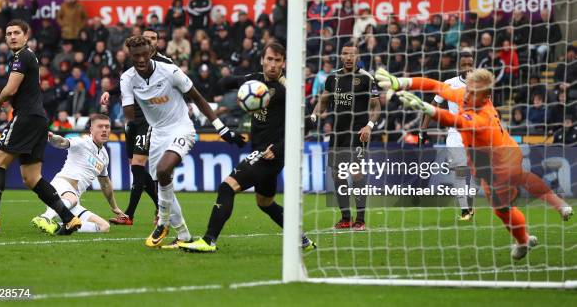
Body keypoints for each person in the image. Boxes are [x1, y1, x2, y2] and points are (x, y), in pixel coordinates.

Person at [375, 67, 574, 260]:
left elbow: (457, 122)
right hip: (503, 154)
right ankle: (552, 213)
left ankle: (524, 240)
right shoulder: (467, 95)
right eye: (467, 88)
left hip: (499, 166)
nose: (467, 94)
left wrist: (427, 109)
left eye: (473, 92)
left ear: (485, 96)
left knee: (501, 205)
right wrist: (401, 82)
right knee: (512, 192)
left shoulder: (483, 118)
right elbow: (436, 85)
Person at [179, 42, 316, 252]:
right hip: (263, 151)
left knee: (227, 187)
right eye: (269, 59)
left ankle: (209, 240)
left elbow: (307, 124)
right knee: (265, 203)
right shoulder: (256, 81)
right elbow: (226, 82)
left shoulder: (287, 89)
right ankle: (301, 240)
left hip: (271, 154)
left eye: (277, 61)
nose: (273, 65)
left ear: (284, 63)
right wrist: (231, 82)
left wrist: (279, 148)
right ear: (262, 60)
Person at [118, 35, 245, 249]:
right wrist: (129, 133)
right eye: (135, 56)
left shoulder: (170, 71)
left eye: (143, 54)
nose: (140, 59)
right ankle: (184, 235)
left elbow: (198, 98)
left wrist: (221, 128)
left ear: (150, 53)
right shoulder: (127, 79)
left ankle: (163, 222)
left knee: (164, 170)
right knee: (162, 183)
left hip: (181, 127)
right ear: (129, 56)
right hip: (156, 132)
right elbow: (130, 118)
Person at [0, 20, 82, 237]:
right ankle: (69, 218)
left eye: (16, 33)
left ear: (26, 36)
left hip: (27, 117)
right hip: (38, 119)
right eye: (9, 33)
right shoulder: (27, 56)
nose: (12, 36)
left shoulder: (22, 56)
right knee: (31, 178)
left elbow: (11, 88)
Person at [101, 29, 172, 226]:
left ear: (157, 43)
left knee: (138, 165)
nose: (149, 41)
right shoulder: (133, 61)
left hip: (151, 120)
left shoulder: (165, 63)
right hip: (132, 120)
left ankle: (129, 215)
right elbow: (125, 82)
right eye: (146, 38)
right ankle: (159, 206)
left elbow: (179, 87)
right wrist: (110, 92)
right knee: (136, 168)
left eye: (153, 39)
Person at [310, 44, 381, 230]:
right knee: (337, 174)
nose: (349, 57)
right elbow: (323, 101)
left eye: (352, 54)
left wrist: (369, 126)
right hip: (338, 133)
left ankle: (361, 220)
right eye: (345, 54)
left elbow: (376, 107)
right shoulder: (333, 78)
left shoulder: (366, 78)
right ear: (341, 56)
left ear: (357, 56)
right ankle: (345, 218)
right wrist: (313, 115)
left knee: (356, 172)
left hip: (358, 132)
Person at [31, 114, 125, 234]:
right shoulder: (83, 141)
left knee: (104, 227)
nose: (104, 130)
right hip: (60, 190)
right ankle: (45, 217)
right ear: (91, 129)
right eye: (100, 126)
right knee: (73, 198)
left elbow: (105, 184)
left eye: (107, 126)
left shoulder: (104, 156)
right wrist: (52, 138)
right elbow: (62, 142)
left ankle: (58, 228)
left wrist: (114, 207)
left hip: (72, 202)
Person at [421, 52, 475, 220]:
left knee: (476, 173)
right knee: (460, 171)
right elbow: (434, 105)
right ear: (459, 66)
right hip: (455, 134)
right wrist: (423, 128)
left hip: (476, 133)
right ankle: (465, 210)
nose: (467, 67)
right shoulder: (449, 84)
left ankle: (470, 205)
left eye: (469, 64)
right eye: (464, 64)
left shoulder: (481, 84)